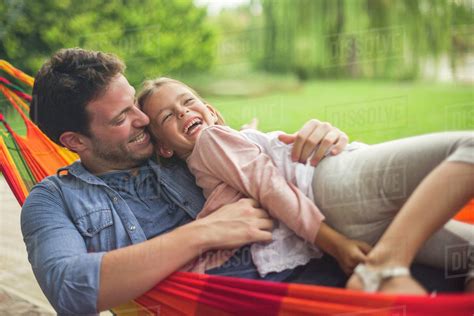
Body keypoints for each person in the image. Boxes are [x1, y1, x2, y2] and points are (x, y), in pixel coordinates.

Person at [21, 48, 352, 314]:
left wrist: (317, 139)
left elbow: (252, 154)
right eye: (122, 117)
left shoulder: (173, 150)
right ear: (76, 141)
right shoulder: (52, 200)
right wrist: (203, 233)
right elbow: (68, 289)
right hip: (233, 301)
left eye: (134, 103)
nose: (143, 119)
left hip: (306, 270)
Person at [137, 77, 474, 294]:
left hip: (352, 217)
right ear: (164, 148)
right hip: (336, 188)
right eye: (167, 117)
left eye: (187, 101)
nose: (182, 112)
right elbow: (268, 185)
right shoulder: (212, 139)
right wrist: (335, 243)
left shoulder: (216, 149)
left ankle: (386, 265)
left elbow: (249, 164)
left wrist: (250, 131)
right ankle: (385, 267)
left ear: (209, 108)